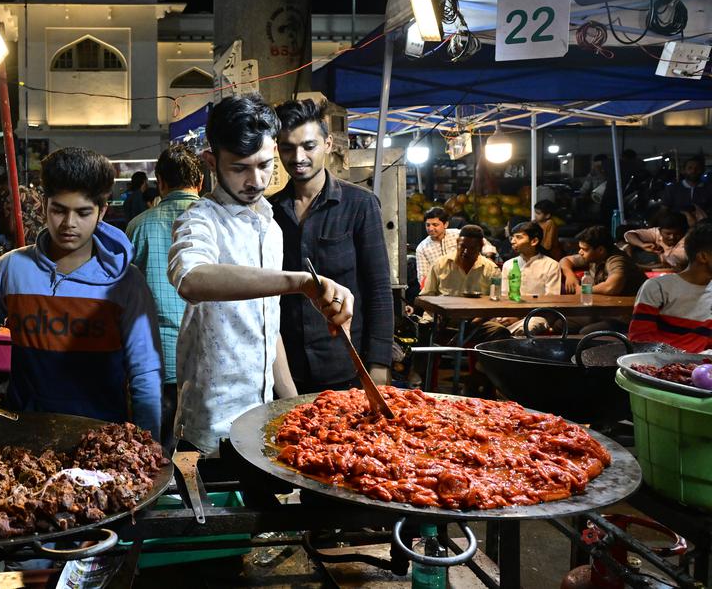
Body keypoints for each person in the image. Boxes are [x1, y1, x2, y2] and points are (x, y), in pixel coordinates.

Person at [168, 94, 352, 455]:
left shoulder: (271, 227)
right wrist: (298, 282)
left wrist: (295, 407)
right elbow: (191, 278)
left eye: (265, 165)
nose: (256, 180)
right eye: (240, 168)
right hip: (210, 424)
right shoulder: (201, 219)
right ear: (211, 161)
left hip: (262, 417)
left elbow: (268, 328)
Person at [0, 147, 163, 438]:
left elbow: (144, 374)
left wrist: (149, 444)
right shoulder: (13, 267)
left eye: (83, 213)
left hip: (101, 442)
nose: (69, 224)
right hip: (25, 435)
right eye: (59, 210)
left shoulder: (127, 284)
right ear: (44, 205)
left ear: (101, 211)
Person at [271, 98, 392, 393]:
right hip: (287, 371)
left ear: (327, 144)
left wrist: (378, 365)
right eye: (287, 147)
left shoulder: (360, 205)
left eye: (308, 146)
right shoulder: (268, 212)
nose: (298, 157)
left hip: (346, 367)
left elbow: (378, 289)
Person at [125, 144, 203, 449]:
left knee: (158, 454)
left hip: (157, 361)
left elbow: (125, 298)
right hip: (207, 359)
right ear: (200, 183)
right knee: (204, 454)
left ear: (162, 182)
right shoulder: (218, 223)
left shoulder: (139, 226)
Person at [629, 222, 712, 353]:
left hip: (702, 369)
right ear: (703, 257)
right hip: (660, 367)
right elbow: (640, 340)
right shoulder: (658, 288)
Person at [498, 221, 562, 334]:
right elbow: (505, 296)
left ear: (534, 241)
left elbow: (551, 301)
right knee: (490, 326)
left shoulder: (551, 265)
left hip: (539, 316)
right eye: (512, 238)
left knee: (529, 326)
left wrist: (519, 317)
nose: (513, 241)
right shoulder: (508, 264)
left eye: (518, 237)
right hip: (510, 315)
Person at [415, 207, 496, 286]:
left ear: (446, 224)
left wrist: (488, 257)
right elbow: (423, 278)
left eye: (435, 225)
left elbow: (485, 243)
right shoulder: (422, 248)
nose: (431, 228)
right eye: (428, 225)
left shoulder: (458, 234)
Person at [562, 225, 648, 298]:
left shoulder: (617, 260)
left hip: (635, 308)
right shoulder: (593, 256)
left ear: (600, 250)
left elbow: (612, 287)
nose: (580, 252)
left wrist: (583, 290)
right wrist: (569, 275)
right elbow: (565, 260)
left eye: (584, 249)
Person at [421, 225, 500, 298]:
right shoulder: (440, 264)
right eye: (462, 246)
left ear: (481, 246)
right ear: (457, 242)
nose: (465, 251)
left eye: (471, 248)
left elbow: (497, 300)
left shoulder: (491, 270)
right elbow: (426, 296)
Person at [624, 212, 689, 269]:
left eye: (677, 234)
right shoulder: (656, 232)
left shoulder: (688, 242)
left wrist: (637, 266)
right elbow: (629, 235)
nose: (672, 237)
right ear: (660, 231)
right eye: (668, 234)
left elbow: (671, 262)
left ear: (684, 232)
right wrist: (642, 245)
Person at [660, 156, 710, 224]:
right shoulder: (672, 189)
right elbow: (664, 210)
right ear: (683, 170)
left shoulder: (709, 189)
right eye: (690, 168)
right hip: (677, 227)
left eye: (697, 168)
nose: (693, 171)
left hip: (703, 228)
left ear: (703, 170)